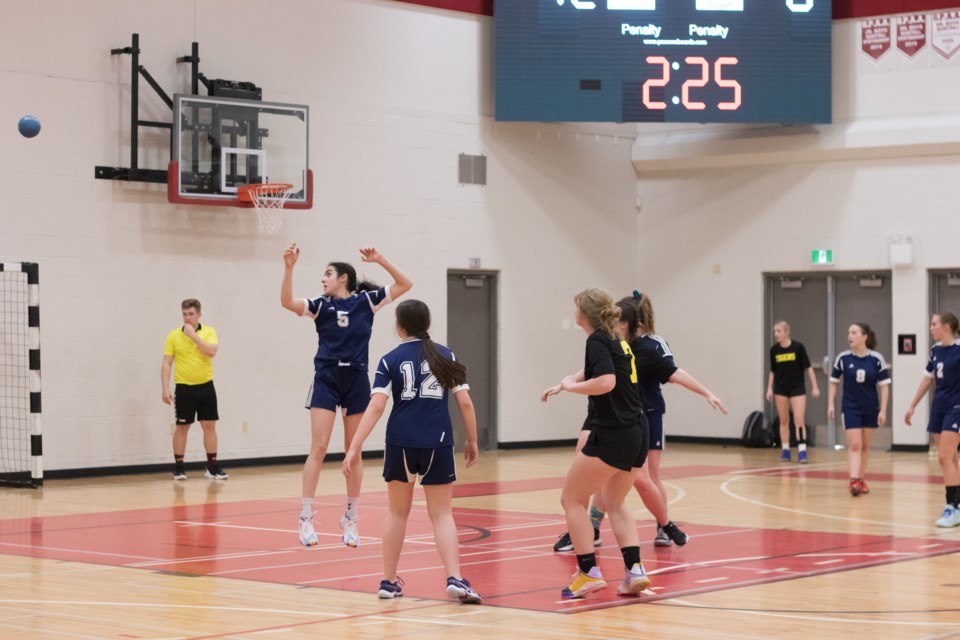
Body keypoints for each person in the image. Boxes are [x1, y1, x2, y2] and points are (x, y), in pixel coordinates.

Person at [551, 293, 727, 552]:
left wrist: (707, 393)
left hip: (642, 416)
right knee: (597, 474)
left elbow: (674, 373)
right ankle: (593, 530)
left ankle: (664, 525)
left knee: (645, 478)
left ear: (624, 323)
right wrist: (564, 384)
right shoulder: (611, 343)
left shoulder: (645, 346)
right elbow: (590, 372)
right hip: (612, 416)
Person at [342, 299, 482, 603]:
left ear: (399, 326)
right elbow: (466, 403)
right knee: (442, 514)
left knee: (397, 512)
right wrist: (472, 440)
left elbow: (376, 406)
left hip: (400, 441)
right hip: (437, 441)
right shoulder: (446, 354)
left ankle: (388, 581)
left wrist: (354, 447)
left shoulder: (390, 358)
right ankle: (454, 577)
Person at [281, 244, 412, 548]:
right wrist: (288, 268)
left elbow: (406, 284)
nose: (323, 280)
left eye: (327, 274)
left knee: (354, 450)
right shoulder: (320, 305)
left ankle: (351, 518)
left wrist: (380, 259)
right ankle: (305, 517)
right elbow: (287, 301)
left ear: (343, 278)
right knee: (319, 447)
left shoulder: (366, 302)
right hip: (326, 378)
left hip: (356, 379)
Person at [541, 288, 651, 599]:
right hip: (637, 431)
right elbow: (599, 370)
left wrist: (572, 388)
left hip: (613, 433)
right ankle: (634, 571)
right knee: (615, 503)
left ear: (582, 315)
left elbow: (605, 381)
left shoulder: (597, 339)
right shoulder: (615, 337)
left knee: (571, 499)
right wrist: (566, 383)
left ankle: (588, 572)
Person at [161, 298, 228, 480]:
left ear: (199, 314)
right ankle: (179, 467)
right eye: (184, 314)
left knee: (209, 426)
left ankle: (212, 466)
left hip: (206, 386)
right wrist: (165, 388)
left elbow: (211, 352)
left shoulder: (209, 332)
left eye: (191, 314)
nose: (187, 318)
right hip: (184, 387)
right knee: (182, 427)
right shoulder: (173, 335)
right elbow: (167, 363)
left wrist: (193, 336)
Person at [904, 312, 960, 527]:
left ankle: (951, 507)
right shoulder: (936, 350)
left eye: (934, 324)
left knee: (943, 458)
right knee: (951, 458)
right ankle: (958, 505)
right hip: (939, 407)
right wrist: (912, 405)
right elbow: (927, 380)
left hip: (957, 407)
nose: (931, 328)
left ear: (946, 327)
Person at [828, 323, 891, 497]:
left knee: (865, 446)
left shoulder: (876, 359)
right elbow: (833, 382)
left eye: (854, 333)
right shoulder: (843, 358)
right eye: (849, 333)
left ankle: (861, 480)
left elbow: (884, 387)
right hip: (850, 408)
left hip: (871, 408)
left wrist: (883, 410)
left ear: (865, 336)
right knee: (855, 445)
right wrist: (831, 405)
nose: (850, 336)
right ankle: (853, 480)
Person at [766, 320, 820, 463]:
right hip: (780, 388)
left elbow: (808, 368)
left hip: (797, 388)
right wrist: (769, 389)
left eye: (778, 331)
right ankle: (785, 450)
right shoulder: (774, 350)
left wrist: (815, 387)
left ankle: (802, 450)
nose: (776, 334)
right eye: (774, 331)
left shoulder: (798, 348)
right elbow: (773, 371)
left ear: (786, 332)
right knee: (784, 420)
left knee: (799, 420)